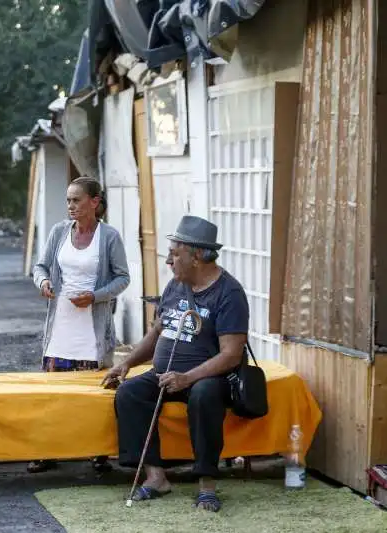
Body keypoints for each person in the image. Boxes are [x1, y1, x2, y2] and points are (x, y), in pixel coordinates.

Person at [102, 215, 249, 513]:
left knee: (205, 395)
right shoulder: (175, 286)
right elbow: (157, 331)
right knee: (129, 393)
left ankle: (206, 485)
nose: (168, 260)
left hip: (208, 376)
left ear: (196, 256)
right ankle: (156, 477)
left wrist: (187, 378)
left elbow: (231, 354)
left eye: (175, 253)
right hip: (167, 374)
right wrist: (127, 363)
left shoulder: (229, 293)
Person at [30, 176, 130, 474]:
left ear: (94, 202)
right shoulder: (59, 231)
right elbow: (40, 266)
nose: (71, 206)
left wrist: (96, 296)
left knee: (92, 394)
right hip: (60, 323)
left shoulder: (108, 236)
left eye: (77, 200)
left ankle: (96, 451)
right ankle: (48, 450)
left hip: (92, 326)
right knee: (53, 393)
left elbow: (123, 277)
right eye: (68, 201)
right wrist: (44, 281)